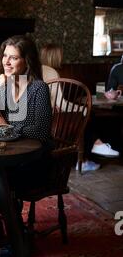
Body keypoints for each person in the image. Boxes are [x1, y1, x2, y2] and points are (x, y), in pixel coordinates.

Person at [0, 34, 53, 257]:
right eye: (5, 56)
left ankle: (18, 237)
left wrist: (5, 126)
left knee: (0, 178)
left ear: (26, 62)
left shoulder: (38, 88)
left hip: (36, 160)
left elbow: (38, 132)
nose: (7, 62)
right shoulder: (1, 86)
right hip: (8, 155)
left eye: (14, 58)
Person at [40, 44, 119, 172]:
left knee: (83, 116)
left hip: (47, 116)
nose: (62, 58)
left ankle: (91, 151)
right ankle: (89, 153)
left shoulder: (39, 70)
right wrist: (83, 110)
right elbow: (62, 104)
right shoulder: (51, 72)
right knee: (84, 115)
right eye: (60, 55)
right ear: (54, 57)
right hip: (52, 118)